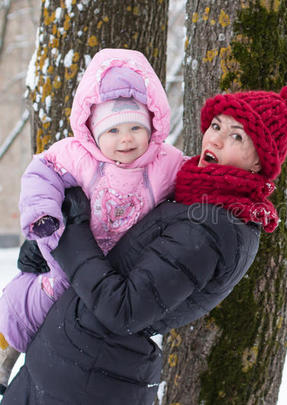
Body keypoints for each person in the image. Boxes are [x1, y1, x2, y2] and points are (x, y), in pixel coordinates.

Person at [2, 85, 287, 404]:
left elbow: (124, 310)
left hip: (86, 381)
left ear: (259, 163)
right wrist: (56, 239)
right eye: (217, 126)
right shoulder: (196, 198)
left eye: (237, 136)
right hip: (71, 366)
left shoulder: (213, 229)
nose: (215, 139)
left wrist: (72, 235)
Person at [0, 48, 185, 391]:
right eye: (113, 130)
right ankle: (4, 354)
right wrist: (43, 215)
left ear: (152, 125)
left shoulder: (164, 162)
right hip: (65, 260)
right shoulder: (77, 155)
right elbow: (42, 174)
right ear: (94, 132)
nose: (126, 139)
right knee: (26, 306)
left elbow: (193, 180)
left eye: (135, 127)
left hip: (112, 274)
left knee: (71, 329)